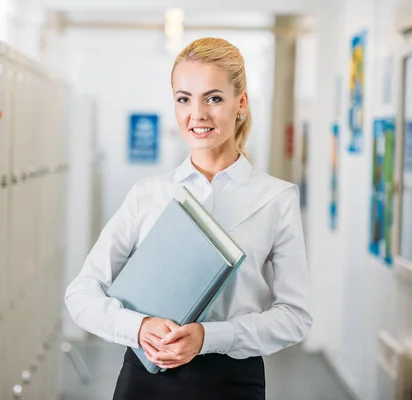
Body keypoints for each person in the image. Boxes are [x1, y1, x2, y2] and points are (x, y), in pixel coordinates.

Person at [64, 37, 313, 400]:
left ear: (240, 103)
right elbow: (81, 294)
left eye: (213, 98)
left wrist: (209, 338)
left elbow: (295, 317)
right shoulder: (148, 195)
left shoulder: (276, 198)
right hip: (145, 377)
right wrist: (139, 327)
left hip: (232, 382)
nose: (197, 114)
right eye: (184, 98)